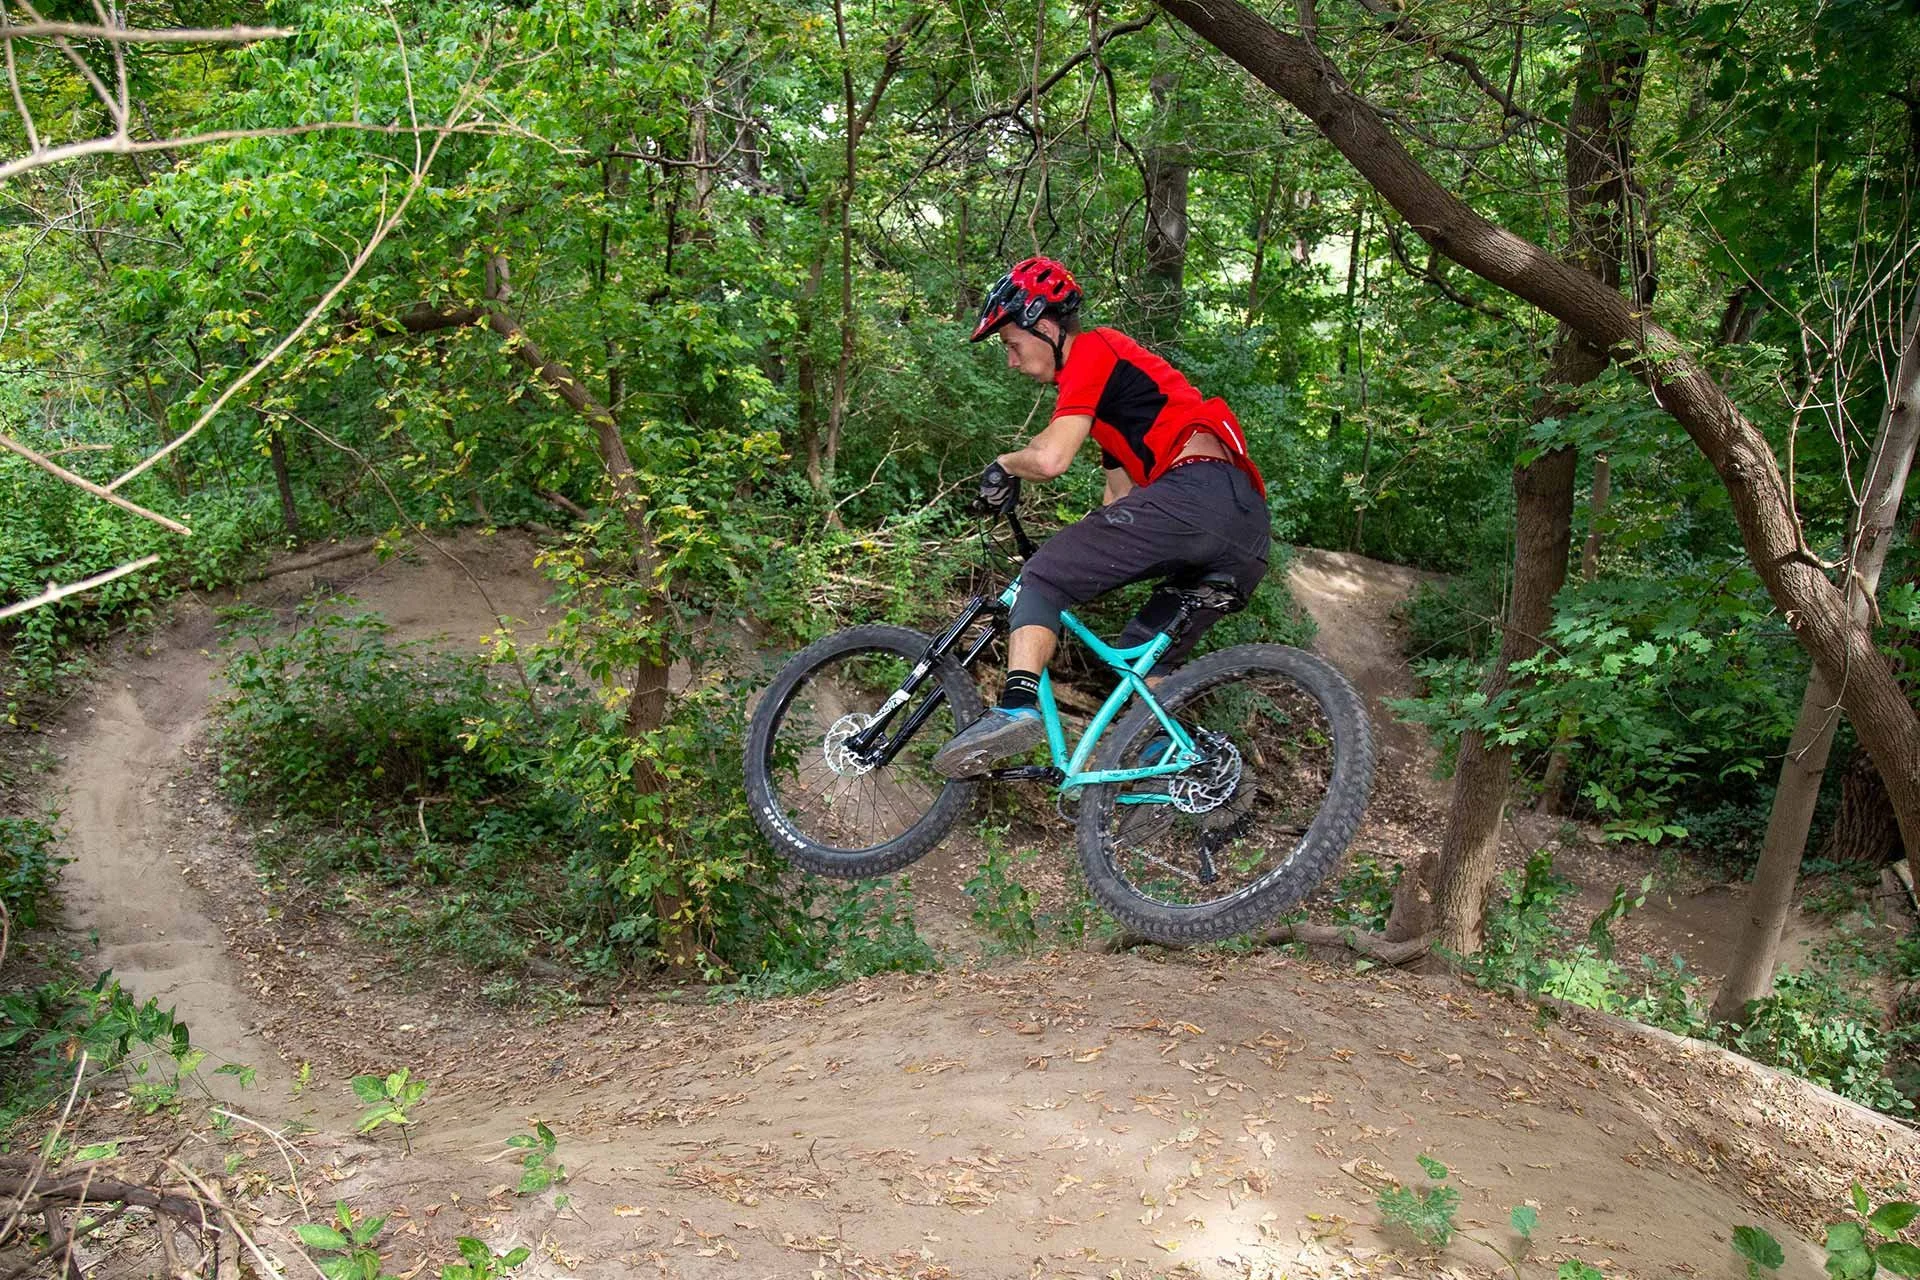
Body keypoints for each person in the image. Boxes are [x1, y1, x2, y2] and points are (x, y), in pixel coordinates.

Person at [931, 256, 1272, 778]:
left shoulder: (1094, 348)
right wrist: (1083, 549)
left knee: (1041, 576)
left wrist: (1004, 466)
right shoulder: (1119, 411)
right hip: (1244, 528)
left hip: (1195, 495)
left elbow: (1049, 459)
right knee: (1141, 652)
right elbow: (1118, 504)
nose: (1012, 362)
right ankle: (1179, 764)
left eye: (1012, 344)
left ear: (1044, 326)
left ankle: (1017, 708)